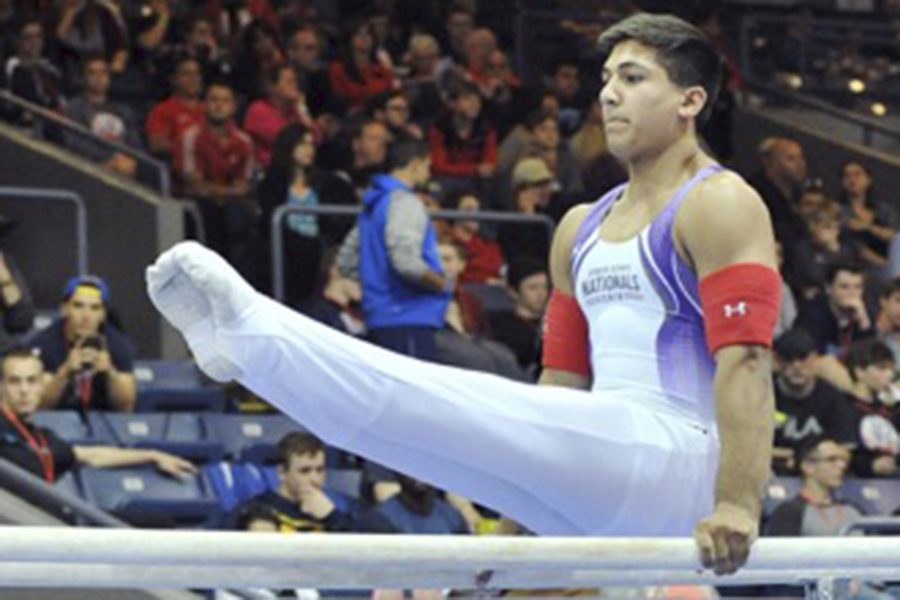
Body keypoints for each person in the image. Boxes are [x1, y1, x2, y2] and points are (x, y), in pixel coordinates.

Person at [146, 13, 778, 575]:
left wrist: (735, 504)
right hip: (599, 458)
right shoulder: (578, 228)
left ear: (690, 100)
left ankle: (257, 333)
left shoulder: (719, 202)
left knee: (430, 398)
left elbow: (747, 361)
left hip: (683, 458)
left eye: (635, 79)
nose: (609, 93)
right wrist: (513, 536)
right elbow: (556, 391)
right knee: (401, 437)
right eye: (608, 77)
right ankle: (252, 356)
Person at [0, 347, 196, 484]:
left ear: (42, 384)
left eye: (31, 381)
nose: (24, 390)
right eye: (14, 382)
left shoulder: (42, 439)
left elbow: (92, 456)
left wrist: (152, 455)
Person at [178, 82, 256, 274]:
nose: (219, 106)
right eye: (213, 100)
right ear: (204, 105)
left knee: (241, 214)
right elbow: (194, 185)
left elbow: (244, 186)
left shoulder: (243, 142)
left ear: (233, 107)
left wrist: (216, 190)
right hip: (201, 205)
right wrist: (226, 191)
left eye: (224, 101)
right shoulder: (192, 136)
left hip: (232, 207)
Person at [28, 275, 136, 412]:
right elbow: (38, 404)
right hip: (54, 420)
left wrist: (110, 372)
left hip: (102, 420)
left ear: (103, 314)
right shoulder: (44, 344)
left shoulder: (118, 344)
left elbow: (126, 406)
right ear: (64, 309)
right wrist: (65, 371)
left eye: (95, 308)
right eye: (78, 306)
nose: (86, 316)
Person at [231, 431, 357, 533]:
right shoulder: (256, 509)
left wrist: (331, 516)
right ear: (281, 472)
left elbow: (363, 551)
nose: (315, 478)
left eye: (320, 470)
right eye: (305, 471)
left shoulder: (332, 509)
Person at [771, 329, 856, 474]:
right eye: (789, 359)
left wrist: (798, 459)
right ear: (777, 361)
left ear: (816, 359)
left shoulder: (832, 398)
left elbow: (845, 448)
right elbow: (749, 447)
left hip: (820, 473)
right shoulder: (763, 395)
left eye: (803, 358)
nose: (797, 366)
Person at [65, 54, 141, 178]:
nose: (99, 78)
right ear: (83, 78)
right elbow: (74, 142)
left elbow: (135, 144)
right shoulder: (74, 108)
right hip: (89, 168)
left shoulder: (123, 111)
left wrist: (126, 159)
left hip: (123, 166)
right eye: (92, 73)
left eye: (104, 73)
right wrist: (109, 160)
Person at [766, 437, 860, 536]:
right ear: (808, 466)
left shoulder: (852, 510)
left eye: (842, 460)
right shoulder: (789, 513)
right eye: (831, 459)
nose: (841, 465)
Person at [844, 339, 900, 477]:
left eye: (891, 369)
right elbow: (841, 450)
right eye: (882, 368)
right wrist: (870, 466)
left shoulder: (891, 410)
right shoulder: (842, 407)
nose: (889, 375)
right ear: (860, 371)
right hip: (855, 482)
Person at [795, 260, 874, 356]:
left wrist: (864, 323)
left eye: (857, 287)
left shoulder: (863, 313)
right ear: (829, 288)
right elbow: (815, 353)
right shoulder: (812, 314)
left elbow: (870, 357)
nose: (852, 293)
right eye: (844, 287)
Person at [145, 55, 204, 164]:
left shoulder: (210, 109)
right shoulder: (162, 110)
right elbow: (157, 145)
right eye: (186, 74)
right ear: (173, 80)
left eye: (197, 73)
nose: (194, 78)